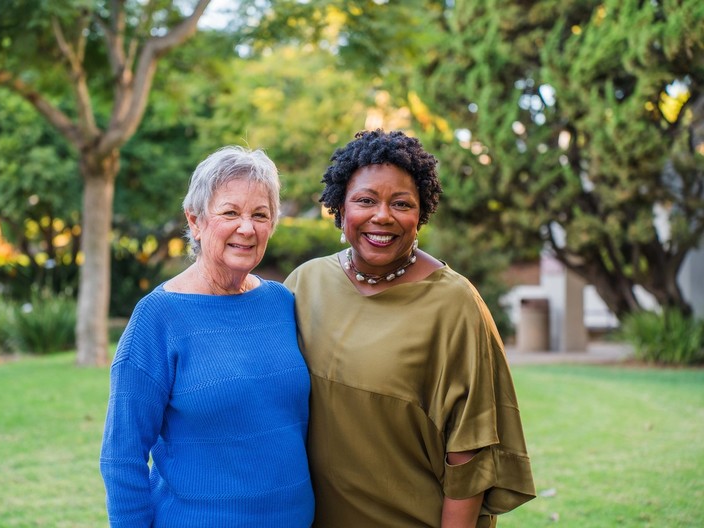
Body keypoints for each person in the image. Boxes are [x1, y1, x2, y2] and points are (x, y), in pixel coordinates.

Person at [284, 130, 535, 528]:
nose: (382, 216)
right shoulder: (304, 284)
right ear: (339, 208)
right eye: (365, 200)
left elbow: (468, 452)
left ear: (421, 214)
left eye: (401, 203)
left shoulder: (454, 304)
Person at [100, 146, 314, 527]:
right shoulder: (157, 317)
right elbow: (122, 457)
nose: (246, 228)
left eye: (260, 215)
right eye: (230, 212)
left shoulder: (282, 303)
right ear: (195, 221)